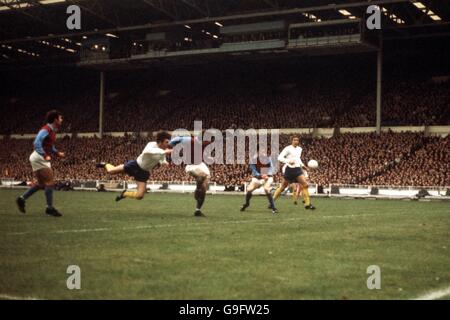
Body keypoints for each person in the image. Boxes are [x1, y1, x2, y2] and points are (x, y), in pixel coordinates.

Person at [96, 131, 172, 201]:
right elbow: (147, 152)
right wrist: (164, 151)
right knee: (111, 171)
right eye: (166, 142)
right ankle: (105, 164)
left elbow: (162, 158)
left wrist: (165, 163)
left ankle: (125, 193)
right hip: (135, 165)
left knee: (140, 196)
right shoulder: (151, 144)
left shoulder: (163, 151)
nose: (168, 144)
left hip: (144, 172)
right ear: (160, 142)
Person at [16, 110, 65, 217]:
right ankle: (49, 208)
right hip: (39, 157)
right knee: (50, 183)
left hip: (38, 157)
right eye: (60, 118)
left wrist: (57, 153)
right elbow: (37, 142)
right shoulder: (46, 129)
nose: (62, 120)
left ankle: (21, 199)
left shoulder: (52, 130)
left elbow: (49, 145)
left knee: (41, 184)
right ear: (55, 119)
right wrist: (44, 155)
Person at [169, 134, 211, 217]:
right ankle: (197, 189)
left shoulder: (205, 142)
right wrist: (172, 146)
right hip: (191, 165)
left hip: (201, 164)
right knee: (201, 176)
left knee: (204, 188)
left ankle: (197, 210)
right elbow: (175, 140)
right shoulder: (189, 140)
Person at [273, 135, 315, 210]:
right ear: (291, 141)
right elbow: (279, 158)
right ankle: (272, 201)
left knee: (305, 185)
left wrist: (303, 165)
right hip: (289, 169)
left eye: (297, 140)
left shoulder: (299, 149)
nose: (296, 141)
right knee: (283, 187)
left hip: (297, 169)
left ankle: (307, 204)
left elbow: (298, 159)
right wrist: (288, 161)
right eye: (294, 140)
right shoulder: (287, 148)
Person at [240, 146, 278, 214]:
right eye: (262, 150)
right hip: (257, 178)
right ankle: (247, 204)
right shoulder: (253, 160)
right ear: (257, 152)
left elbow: (271, 168)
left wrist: (267, 174)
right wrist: (261, 175)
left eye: (264, 150)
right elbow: (254, 170)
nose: (263, 152)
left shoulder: (268, 158)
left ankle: (273, 207)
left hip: (268, 177)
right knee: (249, 190)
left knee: (266, 189)